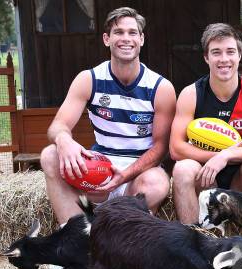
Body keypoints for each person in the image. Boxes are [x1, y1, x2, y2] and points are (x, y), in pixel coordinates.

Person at [41, 7, 176, 225]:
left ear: (141, 39)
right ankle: (75, 235)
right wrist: (64, 139)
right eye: (118, 32)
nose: (126, 38)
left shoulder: (161, 87)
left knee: (157, 183)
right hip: (100, 169)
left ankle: (120, 232)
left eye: (132, 33)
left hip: (137, 174)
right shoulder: (89, 79)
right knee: (50, 155)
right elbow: (57, 125)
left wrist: (125, 175)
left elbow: (161, 148)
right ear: (106, 39)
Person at [169, 23, 242, 224]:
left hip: (241, 176)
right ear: (206, 57)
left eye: (230, 52)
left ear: (239, 55)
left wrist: (227, 155)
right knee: (182, 169)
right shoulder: (191, 94)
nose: (224, 59)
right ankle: (194, 239)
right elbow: (176, 148)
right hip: (205, 177)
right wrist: (215, 158)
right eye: (216, 52)